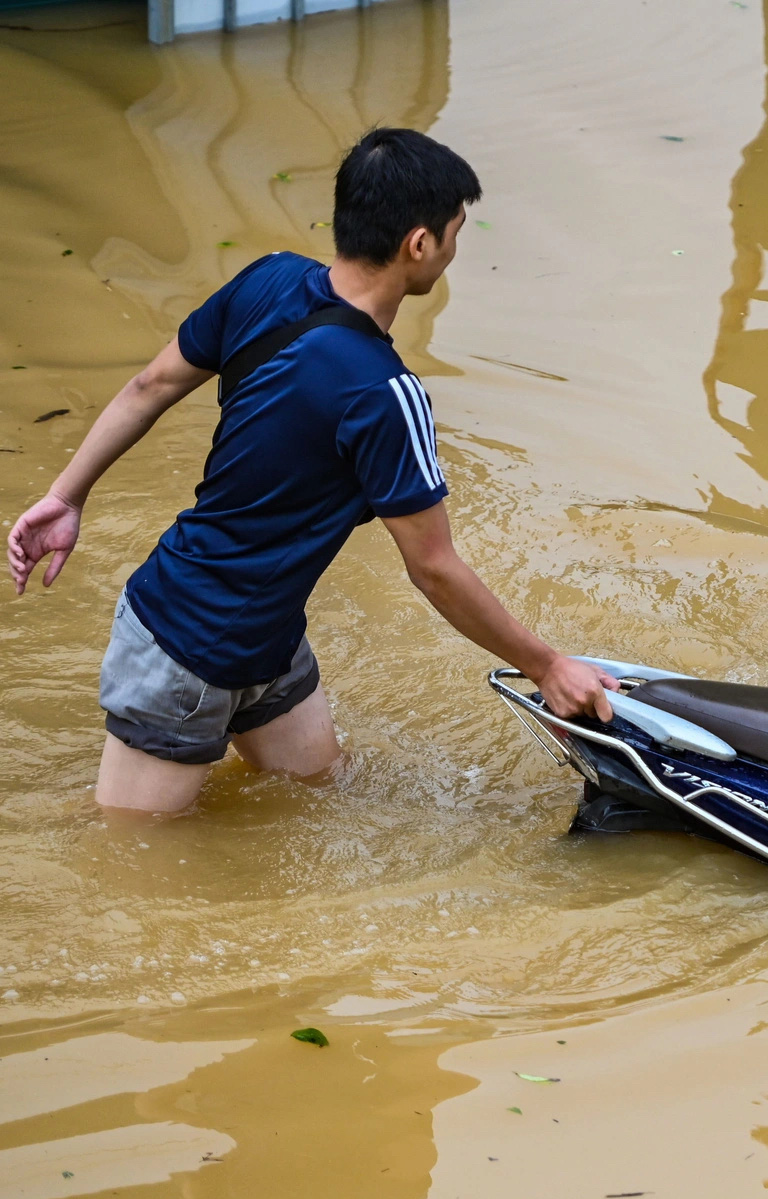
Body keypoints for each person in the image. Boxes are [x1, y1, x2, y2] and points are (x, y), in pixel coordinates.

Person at [6, 128, 612, 814]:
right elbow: (434, 566)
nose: (453, 249)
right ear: (419, 244)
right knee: (132, 865)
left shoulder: (264, 279)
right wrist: (548, 665)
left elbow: (150, 386)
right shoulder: (385, 394)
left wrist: (67, 496)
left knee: (323, 798)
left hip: (270, 639)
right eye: (453, 233)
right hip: (183, 644)